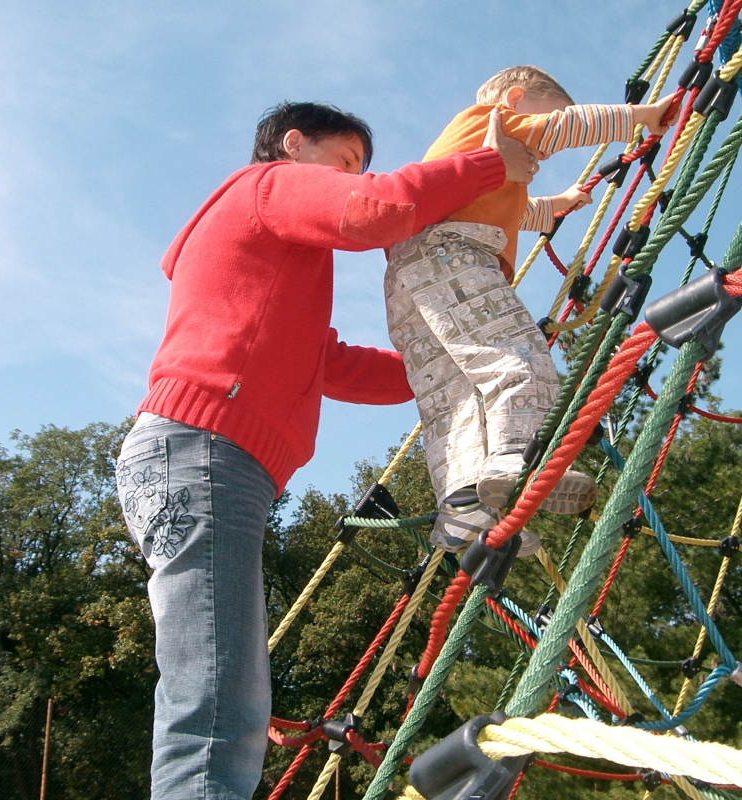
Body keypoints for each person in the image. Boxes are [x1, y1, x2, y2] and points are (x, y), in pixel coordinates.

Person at [114, 100, 537, 800]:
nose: (351, 177)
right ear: (292, 144)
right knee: (217, 705)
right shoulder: (266, 187)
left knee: (226, 692)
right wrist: (493, 165)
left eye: (358, 168)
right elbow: (379, 209)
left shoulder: (267, 264)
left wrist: (456, 358)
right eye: (343, 162)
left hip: (203, 458)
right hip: (203, 452)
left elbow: (332, 363)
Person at [385, 66, 676, 554]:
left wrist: (556, 205)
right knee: (518, 356)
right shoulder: (490, 119)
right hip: (453, 256)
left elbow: (513, 211)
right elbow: (559, 128)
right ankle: (514, 458)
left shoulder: (478, 161)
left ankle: (462, 515)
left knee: (454, 401)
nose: (542, 149)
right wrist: (640, 117)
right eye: (546, 115)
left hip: (408, 278)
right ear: (516, 100)